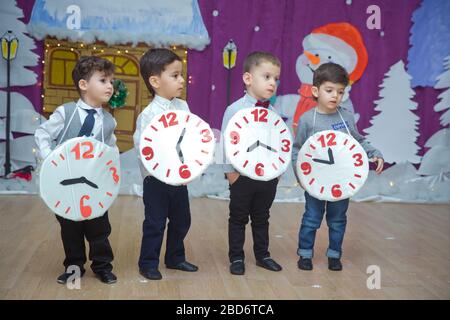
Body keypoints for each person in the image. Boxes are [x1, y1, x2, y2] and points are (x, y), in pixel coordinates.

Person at [292, 62, 384, 271]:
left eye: (340, 92)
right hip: (315, 181)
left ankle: (334, 254)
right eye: (329, 90)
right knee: (311, 219)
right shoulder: (307, 120)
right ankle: (305, 254)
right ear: (316, 91)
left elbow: (358, 142)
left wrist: (374, 153)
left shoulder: (346, 117)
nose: (335, 96)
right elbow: (297, 150)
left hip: (340, 182)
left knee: (337, 220)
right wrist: (301, 177)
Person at [35, 56, 118, 284]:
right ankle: (74, 266)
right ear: (83, 85)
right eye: (103, 80)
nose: (110, 86)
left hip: (94, 185)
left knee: (99, 228)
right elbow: (42, 134)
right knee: (70, 228)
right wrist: (49, 159)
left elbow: (110, 150)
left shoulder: (109, 121)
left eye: (111, 81)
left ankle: (102, 266)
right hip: (65, 183)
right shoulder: (67, 112)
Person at [133, 48, 198, 281]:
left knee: (182, 220)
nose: (182, 80)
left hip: (178, 179)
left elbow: (191, 136)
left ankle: (175, 257)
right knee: (155, 223)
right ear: (155, 81)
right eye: (175, 75)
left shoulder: (183, 107)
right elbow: (143, 148)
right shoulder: (149, 115)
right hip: (157, 181)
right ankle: (148, 262)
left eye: (181, 75)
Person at [221, 51, 283, 275]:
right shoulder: (235, 110)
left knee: (262, 217)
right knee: (238, 217)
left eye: (275, 78)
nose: (272, 83)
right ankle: (236, 258)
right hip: (242, 176)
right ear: (248, 79)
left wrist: (277, 172)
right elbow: (225, 143)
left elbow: (279, 143)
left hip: (267, 177)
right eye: (266, 77)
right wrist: (231, 173)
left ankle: (262, 255)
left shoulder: (273, 113)